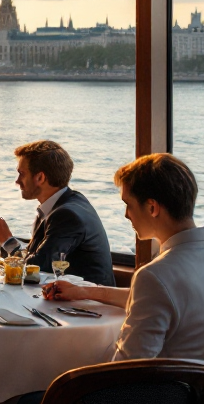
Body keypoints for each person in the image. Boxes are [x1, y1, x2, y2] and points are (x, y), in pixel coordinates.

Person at [45, 153, 204, 361]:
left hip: (163, 391)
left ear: (152, 208)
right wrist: (84, 291)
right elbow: (158, 298)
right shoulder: (172, 274)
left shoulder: (156, 276)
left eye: (128, 204)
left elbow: (126, 369)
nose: (126, 214)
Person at [0, 140, 114, 286]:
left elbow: (36, 267)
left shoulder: (67, 215)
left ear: (40, 178)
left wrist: (7, 241)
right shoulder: (67, 202)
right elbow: (38, 255)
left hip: (85, 304)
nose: (17, 181)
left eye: (21, 173)